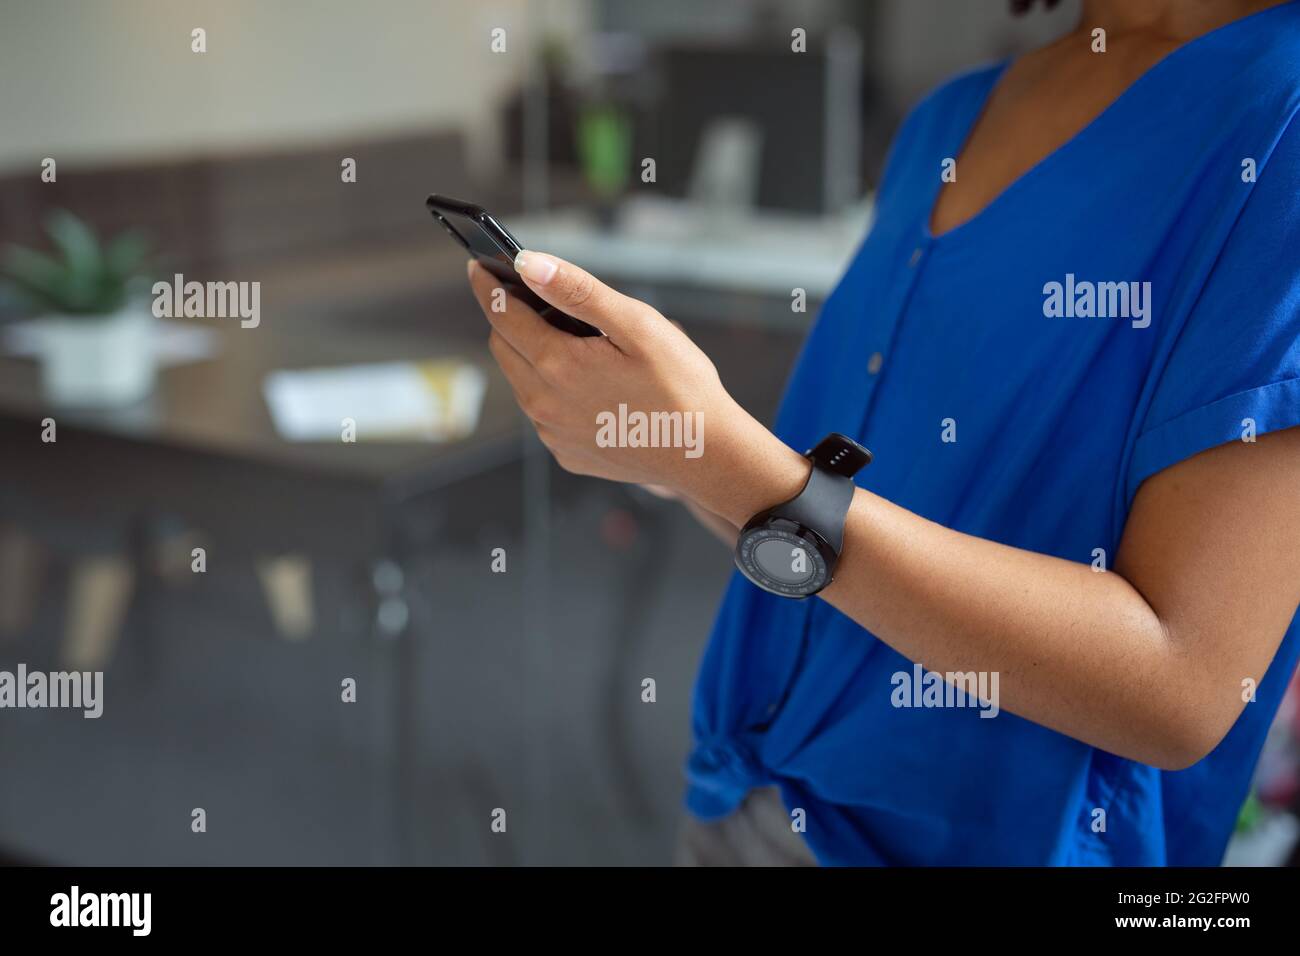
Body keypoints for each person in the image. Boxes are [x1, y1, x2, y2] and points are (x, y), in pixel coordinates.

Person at [466, 0, 1300, 865]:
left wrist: (715, 457)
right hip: (741, 808)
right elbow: (823, 525)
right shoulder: (950, 118)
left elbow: (1179, 687)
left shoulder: (1280, 120)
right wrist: (676, 457)